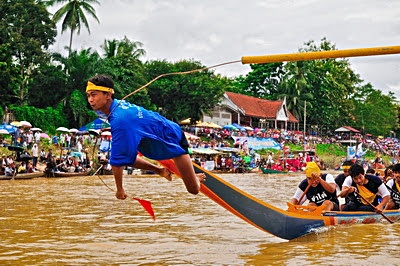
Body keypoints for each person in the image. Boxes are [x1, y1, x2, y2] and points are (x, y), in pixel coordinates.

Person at [86, 74, 205, 199]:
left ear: (108, 95)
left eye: (94, 94)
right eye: (88, 95)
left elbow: (116, 162)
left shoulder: (120, 120)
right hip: (154, 138)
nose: (90, 100)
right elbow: (136, 122)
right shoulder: (119, 106)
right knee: (127, 155)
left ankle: (194, 178)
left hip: (174, 139)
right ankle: (160, 170)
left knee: (193, 189)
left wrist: (119, 190)